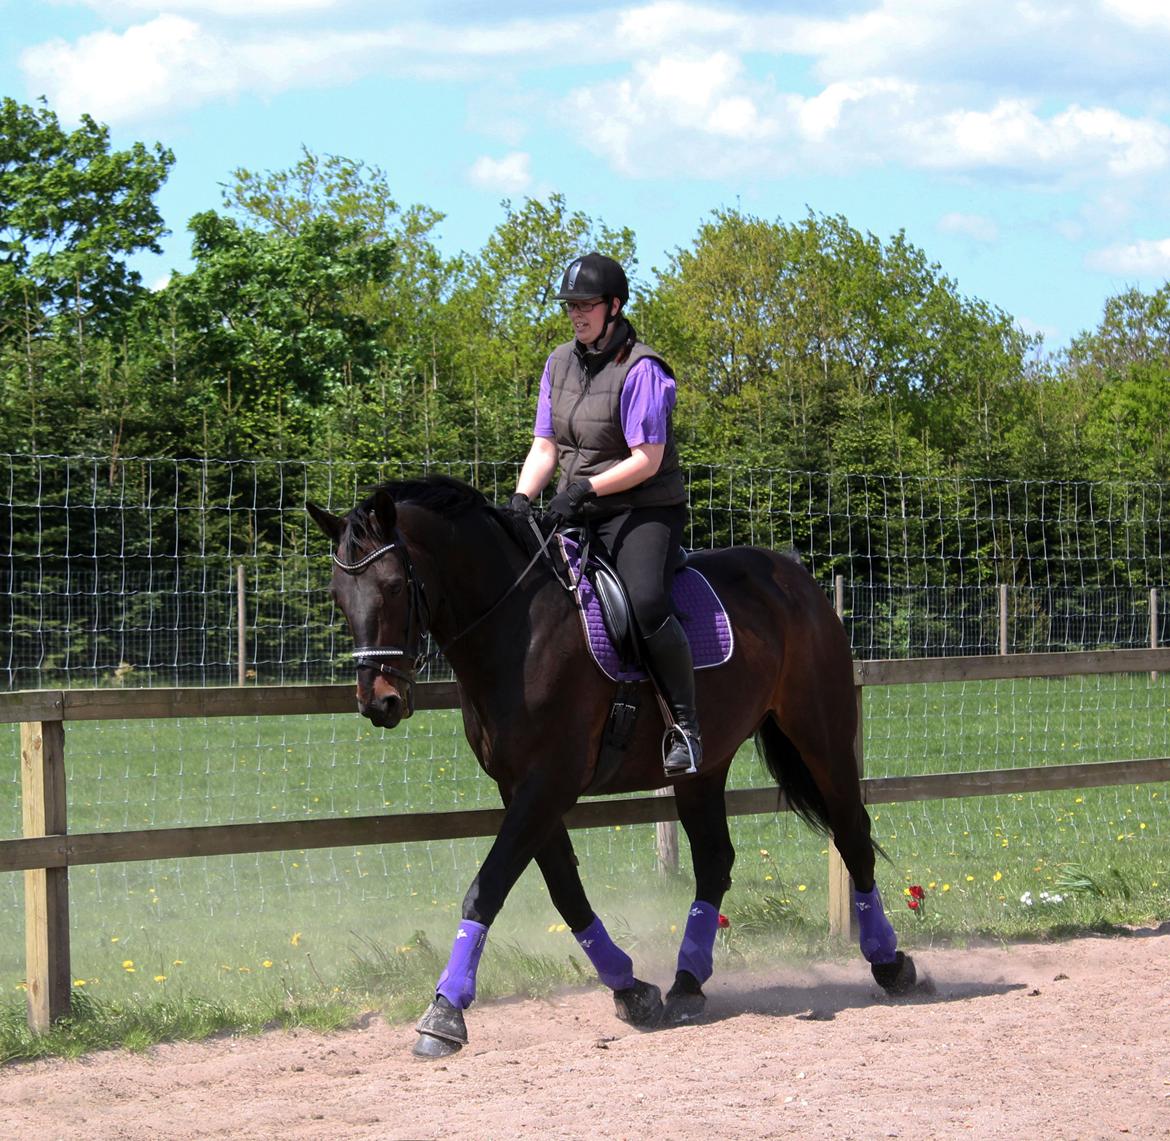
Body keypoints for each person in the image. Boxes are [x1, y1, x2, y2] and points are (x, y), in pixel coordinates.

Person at [509, 252, 701, 777]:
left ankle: (684, 724)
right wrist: (522, 500)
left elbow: (648, 460)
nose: (576, 314)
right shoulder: (558, 363)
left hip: (642, 509)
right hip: (580, 508)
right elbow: (545, 446)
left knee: (644, 601)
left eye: (586, 304)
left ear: (614, 306)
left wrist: (585, 489)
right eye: (571, 306)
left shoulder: (643, 369)